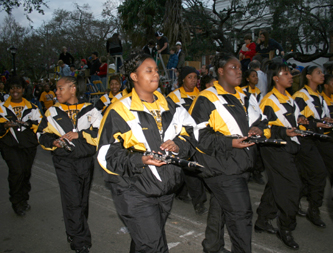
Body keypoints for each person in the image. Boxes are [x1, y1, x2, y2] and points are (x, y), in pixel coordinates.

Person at [96, 53, 196, 253]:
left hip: (165, 189)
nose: (156, 74)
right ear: (134, 76)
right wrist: (139, 159)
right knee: (154, 246)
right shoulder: (119, 110)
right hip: (133, 188)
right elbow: (106, 153)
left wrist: (178, 145)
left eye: (157, 70)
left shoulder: (171, 106)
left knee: (146, 240)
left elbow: (191, 133)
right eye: (148, 70)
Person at [189, 53, 267, 253]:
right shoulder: (206, 98)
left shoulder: (244, 96)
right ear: (221, 71)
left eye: (240, 68)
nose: (239, 71)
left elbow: (261, 119)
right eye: (234, 68)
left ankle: (212, 246)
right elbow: (197, 135)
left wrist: (258, 128)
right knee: (241, 215)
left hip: (240, 163)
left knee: (220, 206)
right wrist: (229, 142)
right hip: (220, 167)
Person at [37, 76, 102, 253]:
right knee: (72, 200)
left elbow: (102, 132)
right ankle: (81, 242)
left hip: (85, 161)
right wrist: (54, 142)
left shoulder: (89, 109)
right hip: (64, 162)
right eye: (56, 89)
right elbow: (41, 134)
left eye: (60, 88)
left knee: (81, 200)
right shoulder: (52, 112)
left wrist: (79, 135)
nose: (56, 92)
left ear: (72, 88)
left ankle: (73, 231)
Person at [255, 62, 306, 250]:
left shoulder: (289, 97)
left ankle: (262, 219)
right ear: (276, 78)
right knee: (293, 186)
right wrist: (284, 132)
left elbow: (290, 120)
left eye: (290, 73)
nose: (290, 76)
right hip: (274, 148)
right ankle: (285, 228)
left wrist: (300, 120)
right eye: (285, 74)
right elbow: (264, 128)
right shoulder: (269, 100)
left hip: (288, 146)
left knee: (276, 183)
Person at [0, 77, 42, 216]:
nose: (15, 90)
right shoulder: (0, 108)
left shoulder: (32, 107)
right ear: (9, 90)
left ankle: (24, 199)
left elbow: (41, 125)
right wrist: (5, 125)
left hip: (28, 146)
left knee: (25, 173)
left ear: (23, 90)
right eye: (12, 88)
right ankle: (16, 202)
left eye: (18, 87)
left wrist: (28, 124)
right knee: (16, 172)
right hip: (9, 146)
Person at [292, 66, 331, 228]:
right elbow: (296, 119)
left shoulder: (319, 96)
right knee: (319, 174)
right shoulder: (301, 96)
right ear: (308, 76)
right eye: (318, 73)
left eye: (322, 72)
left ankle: (294, 204)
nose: (322, 75)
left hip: (317, 140)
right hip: (304, 140)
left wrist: (328, 121)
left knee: (304, 176)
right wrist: (316, 123)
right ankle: (313, 210)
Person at [167, 66, 207, 215]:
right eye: (190, 77)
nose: (193, 80)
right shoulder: (173, 97)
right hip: (184, 137)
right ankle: (199, 202)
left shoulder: (202, 95)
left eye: (195, 77)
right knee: (191, 169)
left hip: (201, 135)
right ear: (183, 79)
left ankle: (181, 193)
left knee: (189, 168)